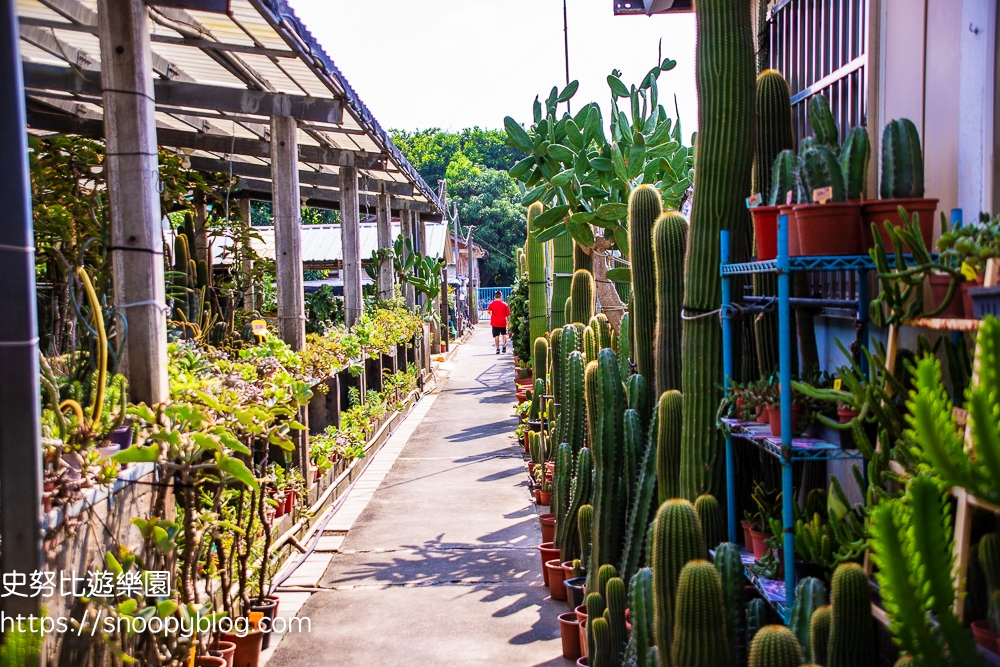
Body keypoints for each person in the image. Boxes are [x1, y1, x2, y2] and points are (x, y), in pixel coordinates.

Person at [485, 290, 510, 354]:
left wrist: (491, 314)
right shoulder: (505, 304)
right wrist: (508, 322)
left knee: (496, 336)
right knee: (504, 334)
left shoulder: (492, 303)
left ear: (494, 297)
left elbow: (488, 310)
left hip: (495, 322)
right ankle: (504, 345)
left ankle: (497, 349)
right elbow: (508, 315)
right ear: (501, 297)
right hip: (503, 322)